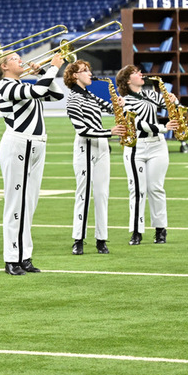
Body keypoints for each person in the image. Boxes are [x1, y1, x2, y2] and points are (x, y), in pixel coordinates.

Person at [0, 51, 65, 276]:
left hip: (36, 144)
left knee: (29, 204)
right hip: (18, 144)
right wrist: (53, 67)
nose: (21, 61)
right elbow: (38, 91)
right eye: (15, 59)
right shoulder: (4, 86)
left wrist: (43, 71)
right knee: (15, 204)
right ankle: (11, 258)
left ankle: (24, 255)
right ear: (4, 67)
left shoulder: (23, 85)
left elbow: (57, 95)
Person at [63, 60, 126, 256]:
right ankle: (78, 239)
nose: (89, 73)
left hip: (102, 147)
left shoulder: (90, 95)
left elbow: (110, 108)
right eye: (85, 71)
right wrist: (109, 132)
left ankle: (101, 239)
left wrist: (120, 104)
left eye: (89, 70)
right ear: (75, 76)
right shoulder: (73, 99)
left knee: (102, 194)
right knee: (83, 194)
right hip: (85, 147)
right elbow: (82, 130)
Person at [116, 65, 180, 246]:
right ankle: (136, 231)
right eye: (135, 73)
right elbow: (138, 124)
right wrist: (163, 127)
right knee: (137, 190)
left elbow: (171, 106)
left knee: (156, 188)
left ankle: (160, 229)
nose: (140, 74)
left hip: (157, 145)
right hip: (136, 146)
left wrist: (174, 101)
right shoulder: (124, 101)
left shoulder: (151, 94)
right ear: (128, 80)